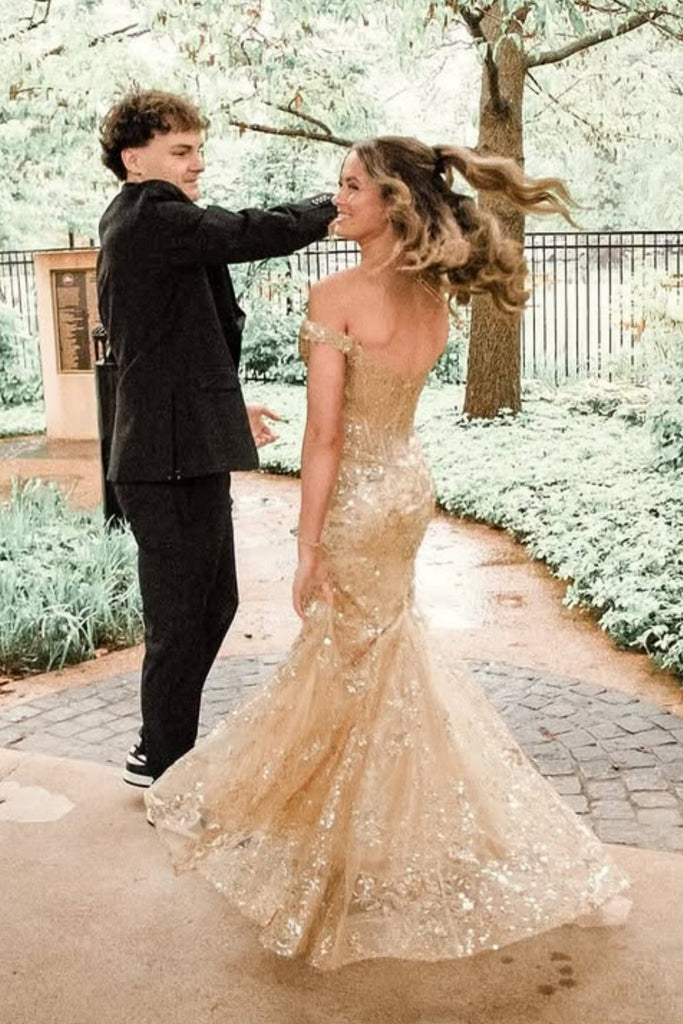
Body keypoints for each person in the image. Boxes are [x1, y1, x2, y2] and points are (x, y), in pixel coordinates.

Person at [145, 136, 629, 971]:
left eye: (350, 187)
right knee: (373, 665)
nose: (336, 200)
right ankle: (354, 834)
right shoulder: (431, 296)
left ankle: (351, 845)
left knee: (349, 668)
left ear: (392, 203)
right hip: (406, 489)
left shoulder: (337, 294)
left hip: (359, 504)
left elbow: (325, 439)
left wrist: (305, 546)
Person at [96, 89, 336, 788]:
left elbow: (171, 346)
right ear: (134, 160)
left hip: (181, 448)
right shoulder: (151, 215)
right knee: (179, 620)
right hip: (161, 460)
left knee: (214, 605)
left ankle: (162, 746)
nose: (197, 163)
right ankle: (161, 760)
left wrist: (226, 412)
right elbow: (247, 232)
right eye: (181, 151)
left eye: (198, 149)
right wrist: (333, 206)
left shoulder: (149, 221)